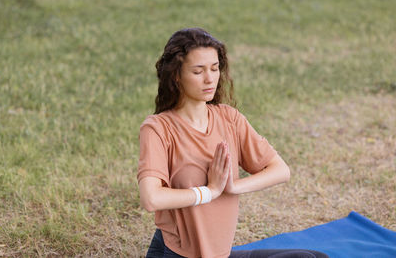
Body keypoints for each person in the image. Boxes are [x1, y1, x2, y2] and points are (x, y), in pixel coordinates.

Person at [137, 28, 329, 258]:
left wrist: (232, 187)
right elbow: (151, 198)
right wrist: (209, 191)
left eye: (215, 68)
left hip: (220, 254)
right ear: (176, 75)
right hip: (178, 253)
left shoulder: (229, 118)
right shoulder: (158, 128)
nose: (210, 78)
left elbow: (280, 170)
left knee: (315, 257)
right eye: (198, 71)